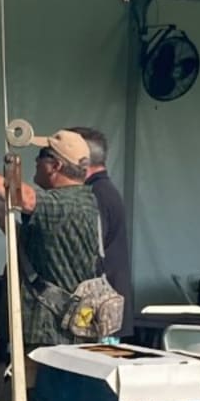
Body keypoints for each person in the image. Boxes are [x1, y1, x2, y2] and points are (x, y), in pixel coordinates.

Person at [0, 128, 100, 360]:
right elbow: (34, 246)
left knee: (41, 391)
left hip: (52, 329)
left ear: (55, 165)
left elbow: (25, 197)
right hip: (55, 327)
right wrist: (2, 219)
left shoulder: (67, 203)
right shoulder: (82, 200)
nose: (36, 162)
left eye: (41, 155)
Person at [70, 126, 133, 338]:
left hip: (99, 315)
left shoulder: (95, 195)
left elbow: (90, 254)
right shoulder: (103, 191)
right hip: (102, 311)